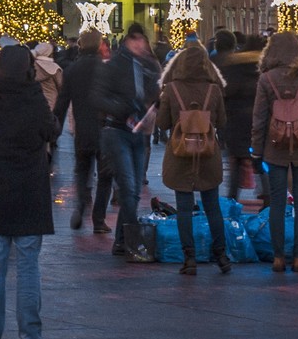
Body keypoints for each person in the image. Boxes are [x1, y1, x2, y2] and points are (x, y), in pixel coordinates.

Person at [0, 44, 59, 339]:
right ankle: (31, 337)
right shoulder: (32, 97)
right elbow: (51, 130)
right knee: (28, 266)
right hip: (28, 191)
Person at [251, 30, 298, 274]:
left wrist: (256, 153)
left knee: (277, 203)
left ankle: (279, 257)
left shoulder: (266, 79)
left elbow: (259, 119)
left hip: (275, 147)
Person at [157, 42, 231, 275]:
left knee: (184, 208)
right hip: (208, 154)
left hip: (180, 155)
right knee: (212, 206)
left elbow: (162, 123)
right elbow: (222, 122)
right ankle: (221, 255)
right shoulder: (214, 90)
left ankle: (189, 259)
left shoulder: (171, 89)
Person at [94, 23, 160, 262]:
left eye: (142, 40)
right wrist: (122, 109)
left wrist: (153, 106)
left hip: (139, 132)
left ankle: (122, 240)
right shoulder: (114, 65)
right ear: (127, 42)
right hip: (117, 130)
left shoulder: (149, 66)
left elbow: (156, 92)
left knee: (132, 192)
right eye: (135, 41)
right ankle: (131, 242)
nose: (140, 45)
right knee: (129, 187)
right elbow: (98, 97)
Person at [54, 31, 108, 231]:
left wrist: (55, 128)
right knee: (105, 176)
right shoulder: (105, 69)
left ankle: (81, 203)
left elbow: (62, 102)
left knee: (82, 169)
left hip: (82, 129)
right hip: (104, 128)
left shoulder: (72, 70)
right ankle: (99, 220)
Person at [216, 32, 260, 202]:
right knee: (261, 164)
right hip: (257, 123)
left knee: (236, 163)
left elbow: (226, 92)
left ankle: (232, 199)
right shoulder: (264, 68)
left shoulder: (233, 66)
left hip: (235, 122)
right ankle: (267, 199)